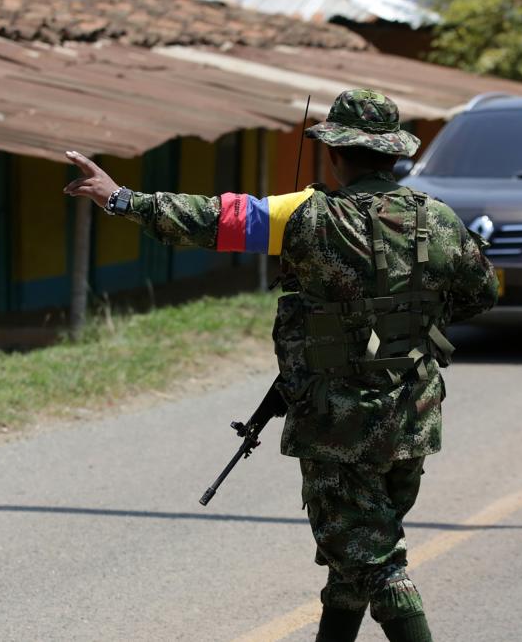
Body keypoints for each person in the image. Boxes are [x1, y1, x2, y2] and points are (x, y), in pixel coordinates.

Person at [63, 89, 498, 642]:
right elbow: (482, 293)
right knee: (353, 557)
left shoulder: (303, 217)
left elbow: (210, 219)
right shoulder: (438, 219)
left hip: (336, 422)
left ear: (336, 154)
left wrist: (120, 198)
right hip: (412, 416)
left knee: (375, 562)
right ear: (393, 156)